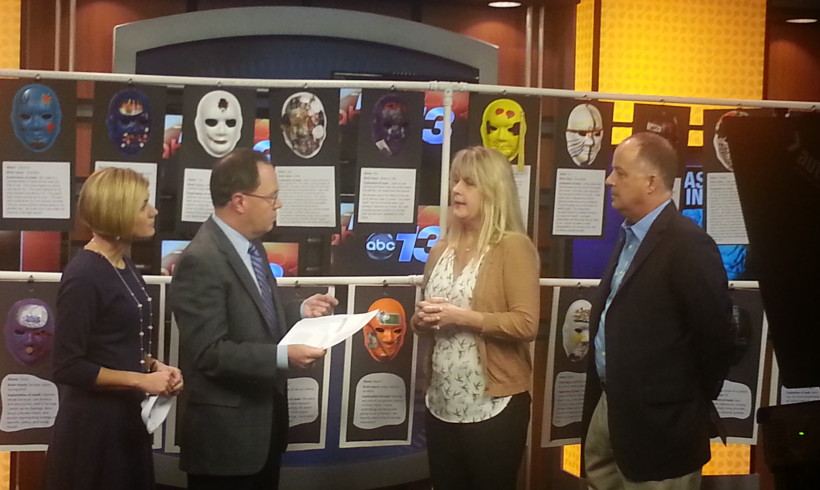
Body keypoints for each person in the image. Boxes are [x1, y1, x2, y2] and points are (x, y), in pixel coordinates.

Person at [170, 148, 338, 490]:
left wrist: (300, 311)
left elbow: (255, 315)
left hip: (262, 432)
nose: (279, 204)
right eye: (272, 196)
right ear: (240, 201)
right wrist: (282, 356)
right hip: (226, 444)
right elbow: (209, 353)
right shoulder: (201, 260)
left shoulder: (252, 247)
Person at [581, 132, 735, 489]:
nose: (609, 180)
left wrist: (679, 401)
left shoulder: (689, 244)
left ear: (651, 182)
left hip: (662, 429)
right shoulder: (629, 237)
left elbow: (717, 339)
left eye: (620, 173)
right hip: (610, 410)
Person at [46, 167, 184, 490]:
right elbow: (67, 366)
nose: (154, 211)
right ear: (117, 212)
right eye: (143, 205)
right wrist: (142, 380)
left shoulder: (123, 263)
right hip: (92, 432)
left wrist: (155, 366)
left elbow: (116, 341)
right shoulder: (84, 275)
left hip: (125, 422)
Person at [412, 145, 540, 490]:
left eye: (469, 183)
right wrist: (421, 320)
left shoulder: (513, 247)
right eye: (455, 181)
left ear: (493, 191)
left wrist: (463, 317)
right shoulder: (441, 249)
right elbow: (423, 319)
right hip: (441, 403)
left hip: (493, 405)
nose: (456, 190)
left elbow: (526, 323)